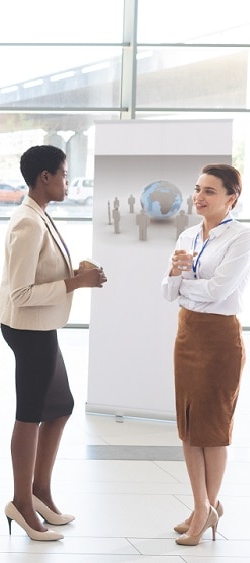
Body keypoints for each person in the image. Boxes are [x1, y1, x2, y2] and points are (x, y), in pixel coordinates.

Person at [0, 145, 106, 541]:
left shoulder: (39, 216)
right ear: (44, 177)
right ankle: (21, 503)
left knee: (60, 406)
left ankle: (39, 491)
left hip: (41, 327)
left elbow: (38, 276)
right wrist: (76, 282)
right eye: (61, 173)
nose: (66, 181)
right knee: (30, 412)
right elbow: (21, 294)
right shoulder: (28, 222)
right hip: (28, 329)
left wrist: (75, 274)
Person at [162, 163, 250, 546]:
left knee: (211, 430)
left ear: (232, 197)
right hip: (187, 334)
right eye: (197, 188)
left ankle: (205, 508)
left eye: (210, 191)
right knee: (189, 424)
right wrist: (179, 280)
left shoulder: (241, 236)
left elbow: (218, 291)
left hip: (219, 339)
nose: (199, 196)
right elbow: (167, 293)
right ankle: (203, 504)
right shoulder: (186, 234)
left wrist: (186, 285)